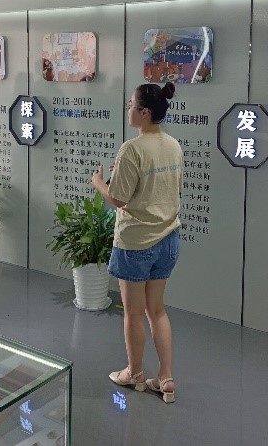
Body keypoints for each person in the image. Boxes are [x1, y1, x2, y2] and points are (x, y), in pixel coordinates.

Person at [91, 81, 183, 404]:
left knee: (132, 312)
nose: (128, 109)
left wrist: (99, 183)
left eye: (131, 104)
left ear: (144, 113)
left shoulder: (132, 149)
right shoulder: (173, 145)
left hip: (136, 242)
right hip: (168, 239)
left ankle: (135, 373)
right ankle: (166, 378)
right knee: (156, 309)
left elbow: (118, 198)